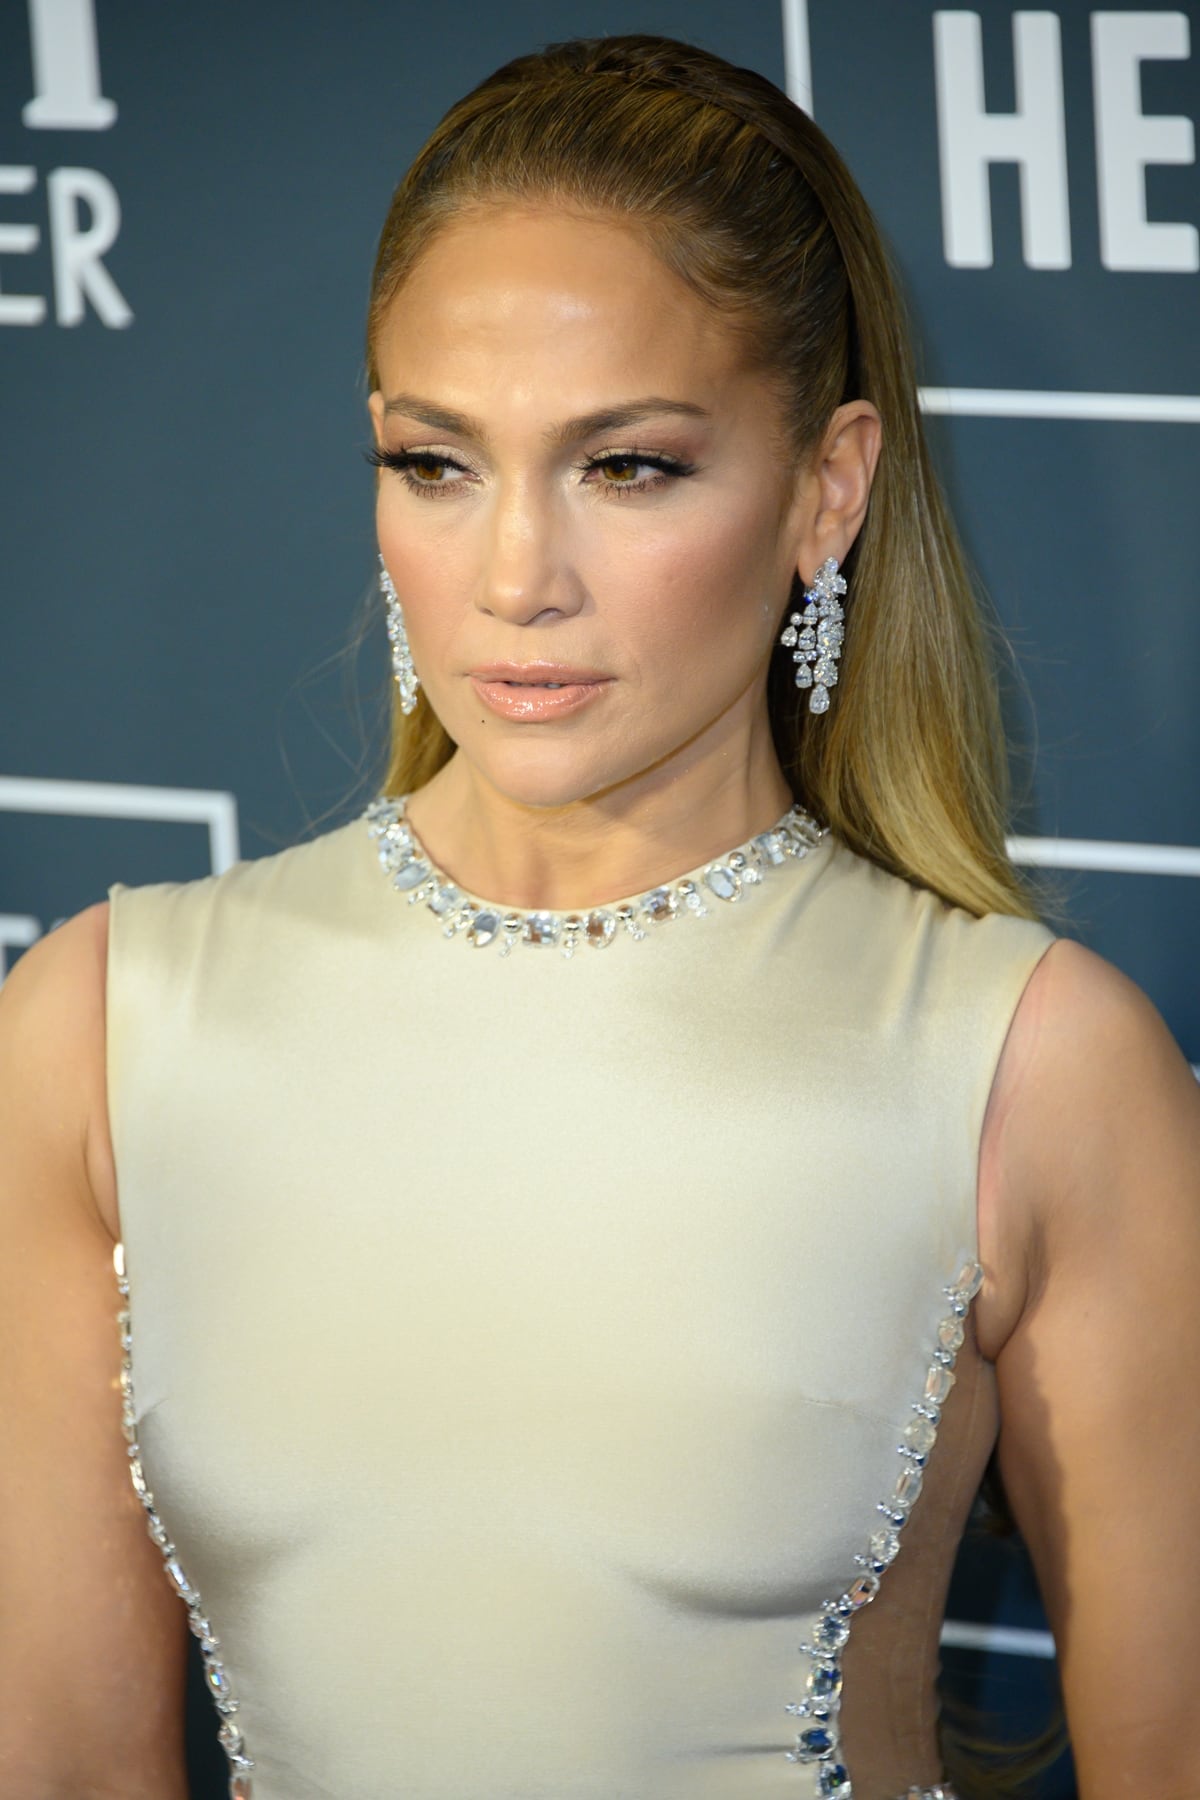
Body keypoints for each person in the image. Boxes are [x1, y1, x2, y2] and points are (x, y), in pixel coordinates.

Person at [1, 30, 1197, 1800]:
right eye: (436, 462)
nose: (515, 580)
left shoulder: (1033, 1065)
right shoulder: (104, 1030)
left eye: (626, 466)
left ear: (824, 491)